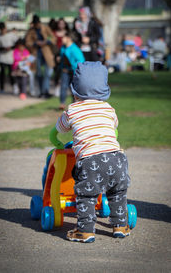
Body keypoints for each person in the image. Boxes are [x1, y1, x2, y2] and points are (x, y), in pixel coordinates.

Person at [55, 61, 131, 243]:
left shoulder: (72, 110)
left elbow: (60, 128)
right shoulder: (109, 109)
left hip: (90, 161)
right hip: (117, 158)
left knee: (86, 195)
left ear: (74, 91)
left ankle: (86, 230)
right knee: (117, 192)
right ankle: (120, 225)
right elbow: (114, 127)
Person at [26, 14, 56, 98]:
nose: (36, 25)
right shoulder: (31, 31)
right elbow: (27, 42)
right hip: (36, 53)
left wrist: (46, 42)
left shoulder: (45, 28)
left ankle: (45, 91)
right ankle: (41, 91)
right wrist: (36, 43)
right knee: (39, 73)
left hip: (46, 52)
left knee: (47, 73)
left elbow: (53, 38)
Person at [59, 31, 85, 110]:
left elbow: (81, 61)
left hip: (73, 72)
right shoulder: (63, 48)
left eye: (64, 37)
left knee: (73, 88)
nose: (62, 39)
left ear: (69, 39)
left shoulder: (75, 49)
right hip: (65, 71)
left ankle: (74, 104)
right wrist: (61, 65)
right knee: (63, 87)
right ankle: (62, 103)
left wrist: (72, 65)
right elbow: (62, 60)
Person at [0, 22, 18, 93]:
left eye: (3, 29)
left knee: (11, 73)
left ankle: (14, 87)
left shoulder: (11, 35)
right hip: (2, 58)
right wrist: (3, 49)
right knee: (2, 74)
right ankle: (2, 88)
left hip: (10, 57)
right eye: (1, 30)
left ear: (5, 28)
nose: (3, 31)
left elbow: (18, 43)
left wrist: (11, 48)